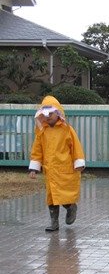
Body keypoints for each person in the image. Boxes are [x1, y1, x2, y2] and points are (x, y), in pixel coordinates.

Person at [28, 96, 85, 232]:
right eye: (45, 115)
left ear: (58, 113)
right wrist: (34, 168)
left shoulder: (67, 130)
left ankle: (70, 207)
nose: (48, 117)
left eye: (51, 114)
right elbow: (37, 150)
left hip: (65, 169)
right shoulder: (42, 132)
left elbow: (75, 147)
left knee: (64, 195)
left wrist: (79, 162)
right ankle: (54, 223)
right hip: (50, 170)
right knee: (51, 197)